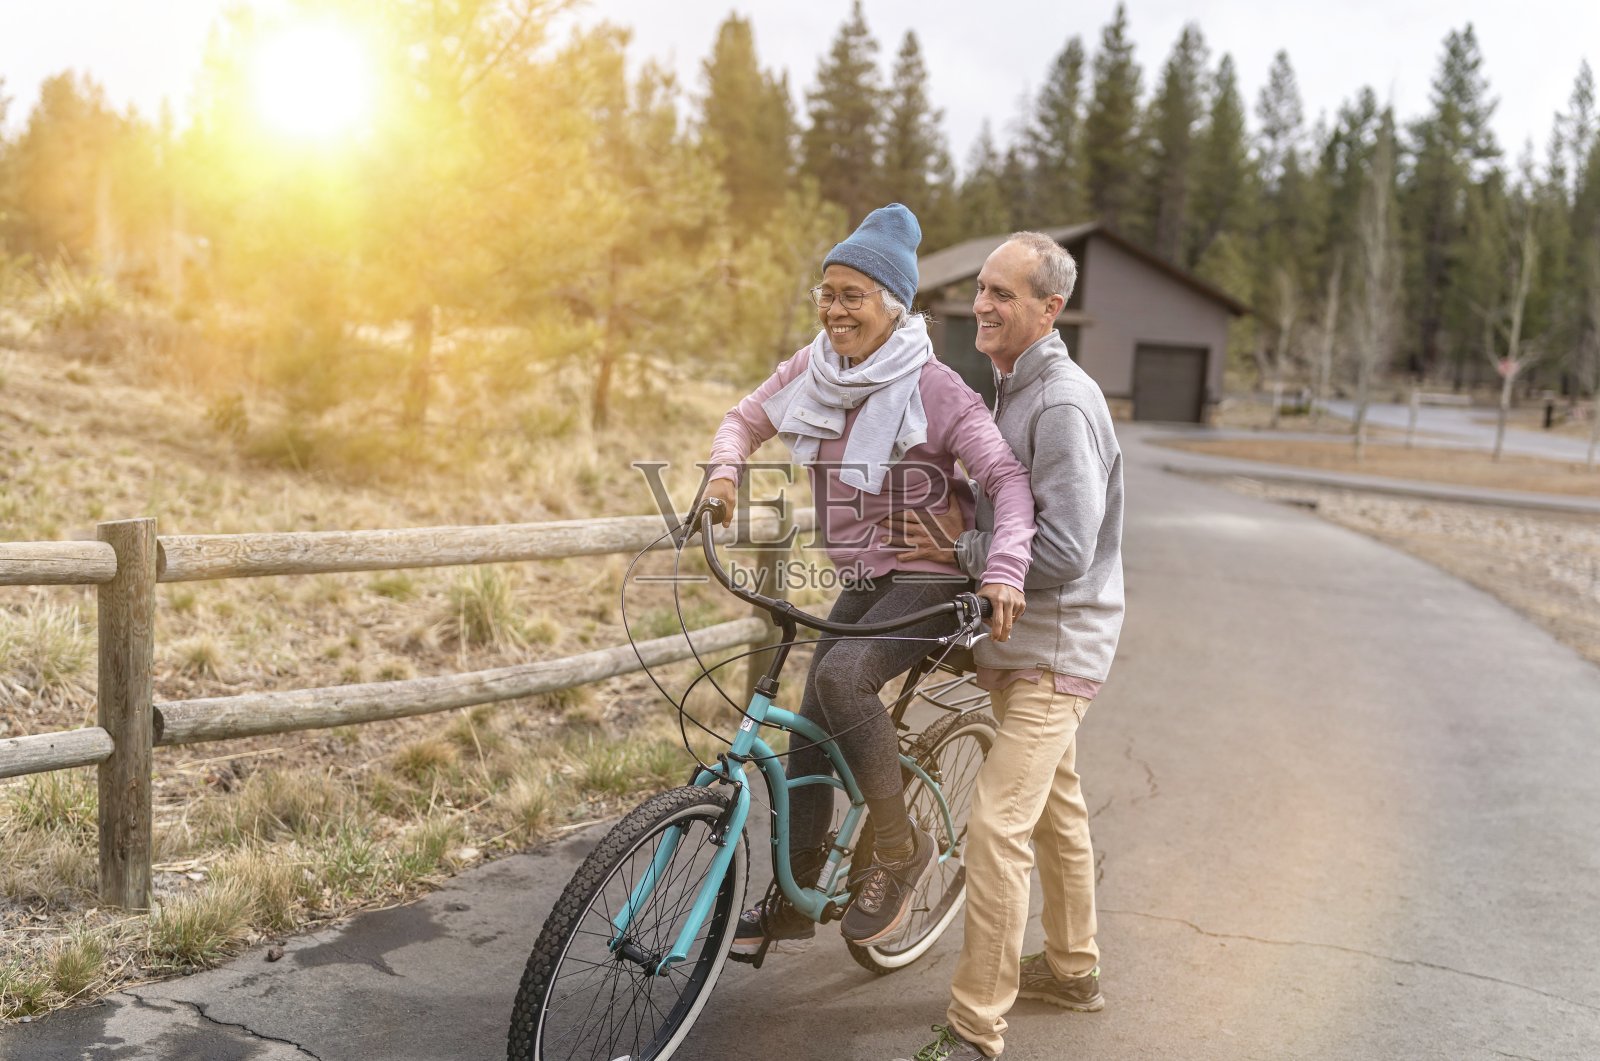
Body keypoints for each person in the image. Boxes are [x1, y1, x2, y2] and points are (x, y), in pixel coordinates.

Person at [702, 204, 1036, 955]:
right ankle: (797, 891)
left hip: (934, 578)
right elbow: (743, 417)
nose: (835, 308)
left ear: (893, 304)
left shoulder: (935, 385)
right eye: (827, 292)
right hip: (863, 574)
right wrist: (724, 474)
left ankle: (900, 846)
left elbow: (1008, 482)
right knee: (812, 719)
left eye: (853, 294)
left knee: (846, 676)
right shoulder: (814, 369)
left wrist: (1004, 569)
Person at [882, 232, 1124, 1060]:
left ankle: (976, 1027)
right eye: (982, 289)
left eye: (1003, 294)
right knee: (1056, 807)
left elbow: (1065, 549)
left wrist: (963, 552)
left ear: (1048, 310)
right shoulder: (1010, 386)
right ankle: (1074, 967)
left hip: (1056, 646)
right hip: (1022, 641)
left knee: (996, 824)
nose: (982, 304)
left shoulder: (1058, 402)